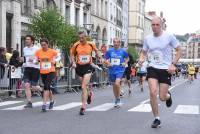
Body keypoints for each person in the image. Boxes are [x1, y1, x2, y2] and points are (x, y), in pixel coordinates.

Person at [138, 16, 181, 128]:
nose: (155, 27)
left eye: (157, 25)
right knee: (152, 92)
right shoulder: (148, 38)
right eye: (153, 24)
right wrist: (141, 59)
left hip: (166, 69)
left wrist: (173, 64)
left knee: (162, 97)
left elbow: (179, 50)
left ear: (161, 25)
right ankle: (157, 119)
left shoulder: (169, 36)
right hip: (152, 67)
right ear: (151, 25)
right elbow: (143, 52)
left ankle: (168, 96)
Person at [70, 31, 101, 115]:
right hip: (79, 67)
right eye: (79, 38)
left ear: (86, 37)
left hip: (88, 66)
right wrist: (73, 62)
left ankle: (83, 107)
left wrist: (100, 56)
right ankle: (89, 94)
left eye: (82, 38)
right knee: (84, 87)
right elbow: (72, 54)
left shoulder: (91, 44)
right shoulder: (76, 45)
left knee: (83, 86)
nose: (81, 39)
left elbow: (97, 51)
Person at [35, 38, 60, 112]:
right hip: (43, 72)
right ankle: (52, 101)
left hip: (51, 71)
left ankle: (44, 104)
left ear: (47, 44)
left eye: (44, 45)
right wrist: (36, 61)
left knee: (46, 87)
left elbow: (58, 56)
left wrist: (54, 60)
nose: (43, 46)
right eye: (42, 45)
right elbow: (35, 59)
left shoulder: (52, 51)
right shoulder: (38, 52)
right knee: (47, 87)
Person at [104, 38, 129, 107]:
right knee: (114, 85)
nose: (116, 43)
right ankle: (117, 98)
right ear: (113, 43)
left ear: (119, 43)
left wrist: (124, 63)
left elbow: (127, 58)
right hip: (112, 70)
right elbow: (105, 59)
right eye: (114, 42)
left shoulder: (123, 51)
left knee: (117, 83)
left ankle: (118, 99)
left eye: (117, 42)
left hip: (120, 70)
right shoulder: (109, 51)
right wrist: (108, 63)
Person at [23, 35, 41, 108]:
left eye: (28, 39)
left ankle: (42, 90)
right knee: (26, 85)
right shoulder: (24, 49)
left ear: (32, 41)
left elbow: (40, 59)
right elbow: (25, 58)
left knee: (33, 87)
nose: (26, 40)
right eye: (26, 39)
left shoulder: (37, 49)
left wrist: (33, 60)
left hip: (35, 68)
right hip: (27, 68)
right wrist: (23, 61)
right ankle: (29, 102)